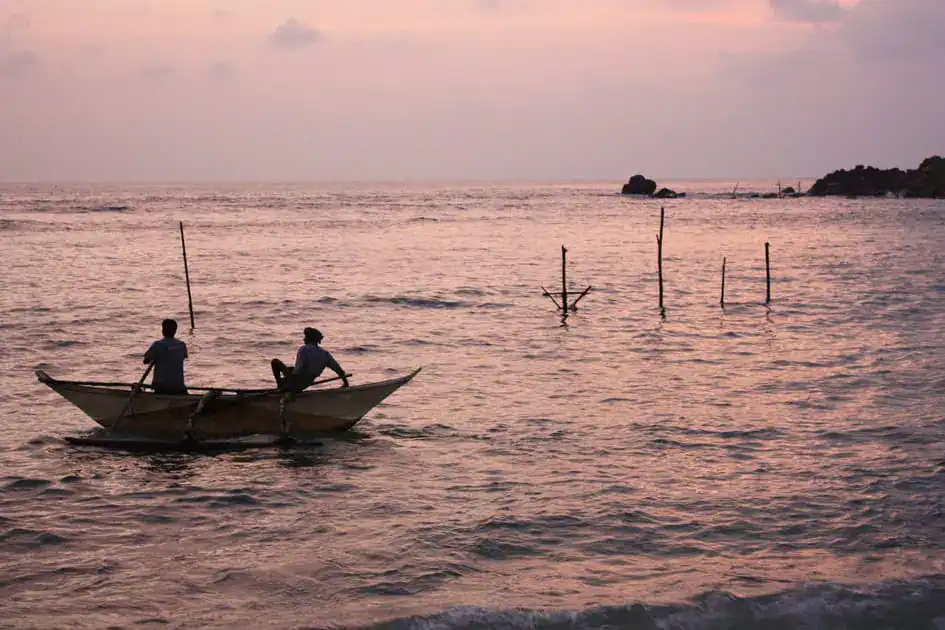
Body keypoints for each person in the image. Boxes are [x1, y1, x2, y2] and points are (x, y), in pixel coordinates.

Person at [271, 327, 349, 393]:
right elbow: (339, 370)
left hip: (296, 383)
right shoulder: (325, 354)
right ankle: (283, 386)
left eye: (305, 337)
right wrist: (346, 384)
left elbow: (299, 369)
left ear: (309, 338)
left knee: (275, 362)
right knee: (290, 369)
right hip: (307, 382)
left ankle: (280, 387)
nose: (303, 339)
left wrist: (291, 388)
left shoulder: (304, 349)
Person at [143, 318, 189, 395]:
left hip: (161, 386)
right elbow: (183, 356)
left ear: (163, 330)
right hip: (178, 386)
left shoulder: (158, 345)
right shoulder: (181, 345)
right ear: (175, 331)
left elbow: (146, 360)